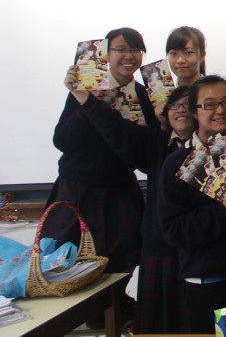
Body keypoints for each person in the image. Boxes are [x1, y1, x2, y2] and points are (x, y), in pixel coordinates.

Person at [72, 82, 193, 333]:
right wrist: (87, 100)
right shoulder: (156, 144)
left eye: (188, 105)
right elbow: (116, 128)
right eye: (175, 105)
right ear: (165, 113)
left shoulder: (216, 148)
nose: (181, 110)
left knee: (194, 324)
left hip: (199, 252)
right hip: (160, 251)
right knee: (157, 326)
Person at [47, 27, 158, 302]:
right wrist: (88, 104)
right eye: (121, 49)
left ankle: (118, 313)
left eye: (135, 50)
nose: (129, 56)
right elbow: (62, 140)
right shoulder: (85, 88)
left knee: (124, 261)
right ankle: (88, 316)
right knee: (72, 263)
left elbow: (146, 153)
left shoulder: (143, 94)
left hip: (120, 189)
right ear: (106, 54)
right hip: (79, 190)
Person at [158, 75, 226, 332]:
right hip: (209, 282)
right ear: (194, 111)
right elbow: (174, 230)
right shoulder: (178, 163)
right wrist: (223, 209)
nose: (220, 110)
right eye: (210, 104)